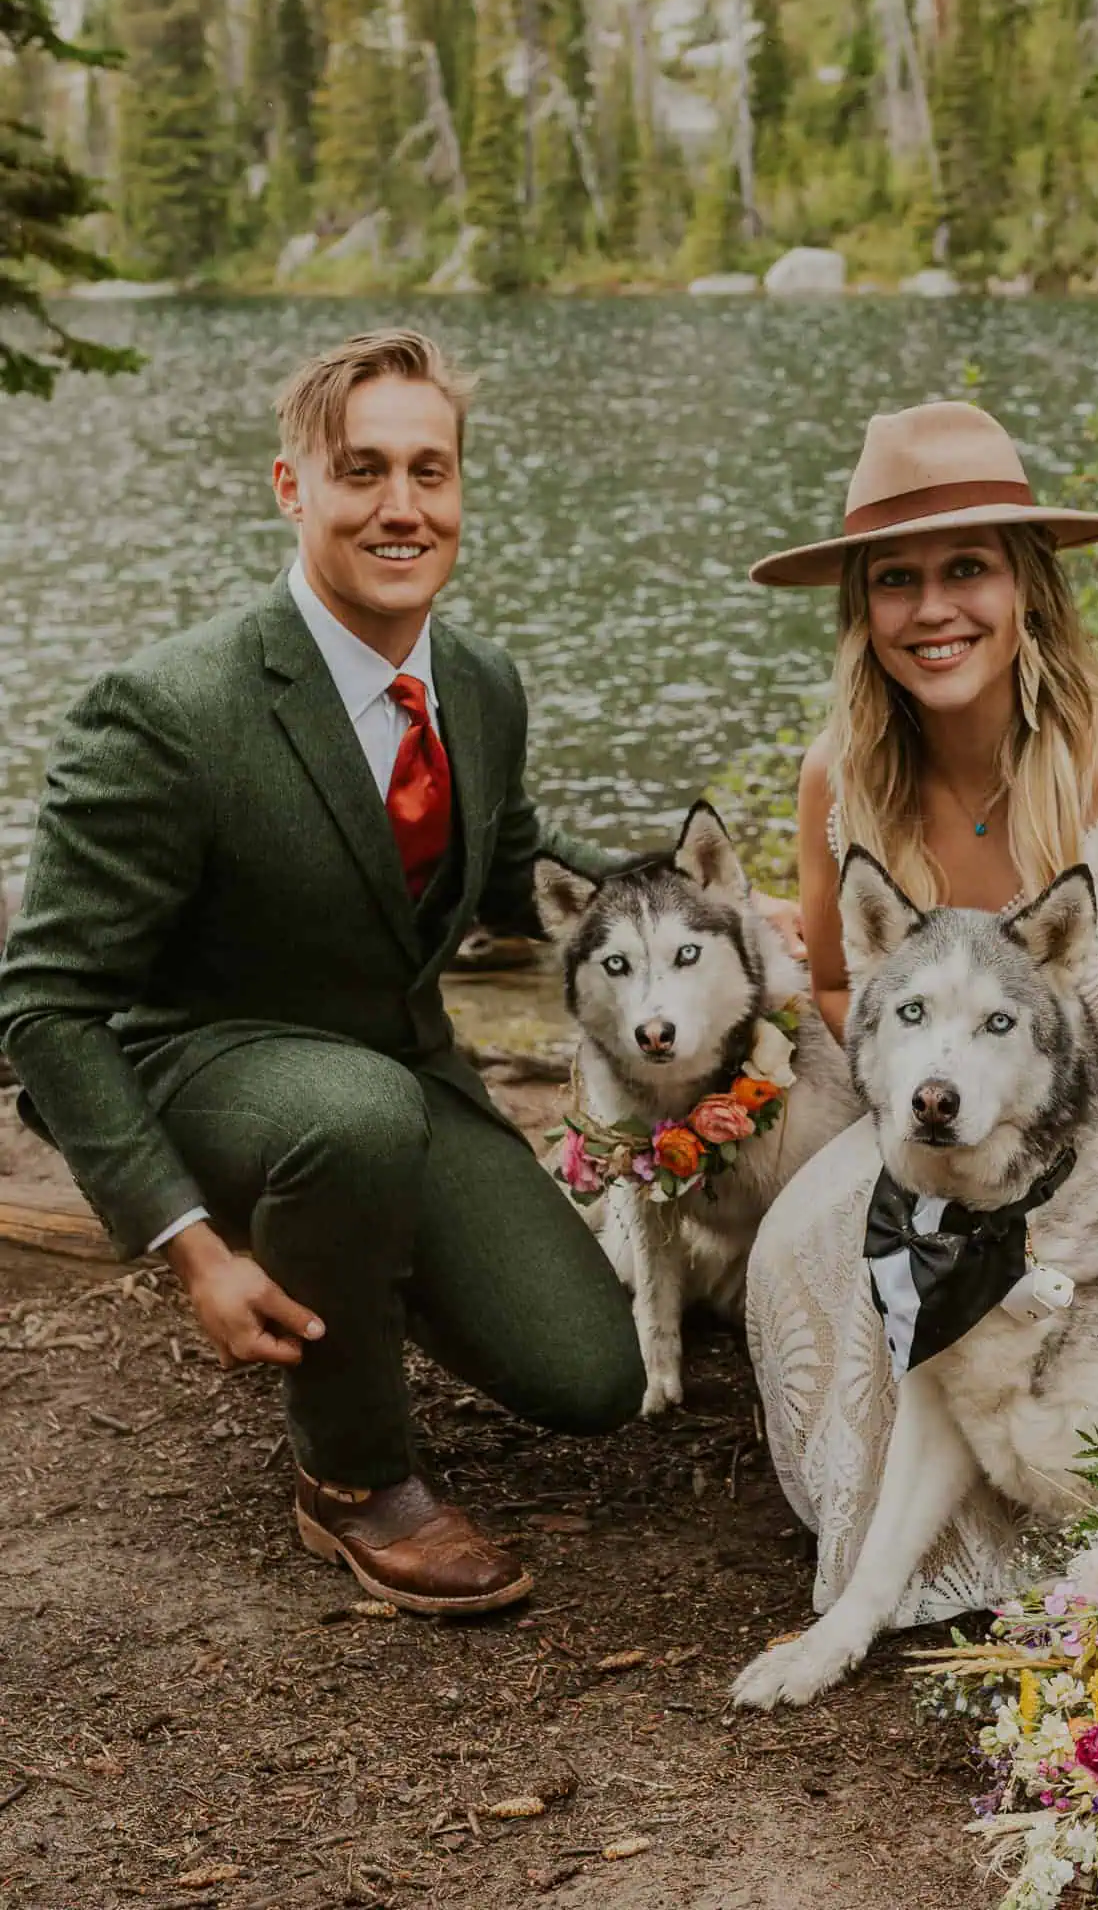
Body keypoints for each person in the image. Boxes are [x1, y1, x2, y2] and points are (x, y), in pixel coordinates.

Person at [0, 328, 660, 1616]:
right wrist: (192, 1247)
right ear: (293, 487)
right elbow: (46, 1001)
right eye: (363, 471)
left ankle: (341, 1241)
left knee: (594, 1380)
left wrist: (714, 916)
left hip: (396, 1071)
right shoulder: (165, 708)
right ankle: (351, 1476)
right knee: (343, 1121)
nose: (402, 506)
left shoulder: (477, 681)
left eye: (431, 470)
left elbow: (516, 866)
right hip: (200, 1054)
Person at [742, 399, 1098, 1627]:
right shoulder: (841, 775)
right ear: (861, 606)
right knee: (825, 1244)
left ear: (1029, 585)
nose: (932, 608)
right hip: (943, 1110)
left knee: (1071, 1316)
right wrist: (904, 1104)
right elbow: (839, 981)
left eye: (966, 569)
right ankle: (904, 1561)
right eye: (896, 578)